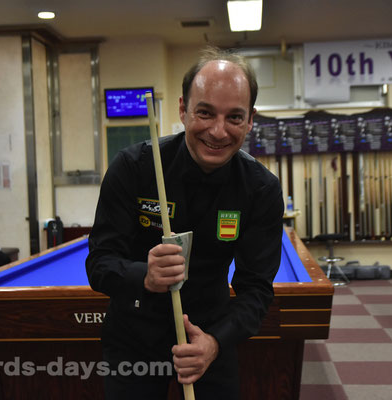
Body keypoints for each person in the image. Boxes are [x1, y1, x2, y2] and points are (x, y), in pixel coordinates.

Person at [86, 47, 283, 399]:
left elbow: (256, 289)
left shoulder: (261, 189)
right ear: (183, 109)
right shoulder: (133, 168)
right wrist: (144, 275)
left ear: (251, 119)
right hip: (133, 334)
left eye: (234, 117)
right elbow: (99, 264)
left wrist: (215, 342)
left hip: (211, 334)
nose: (218, 131)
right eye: (205, 113)